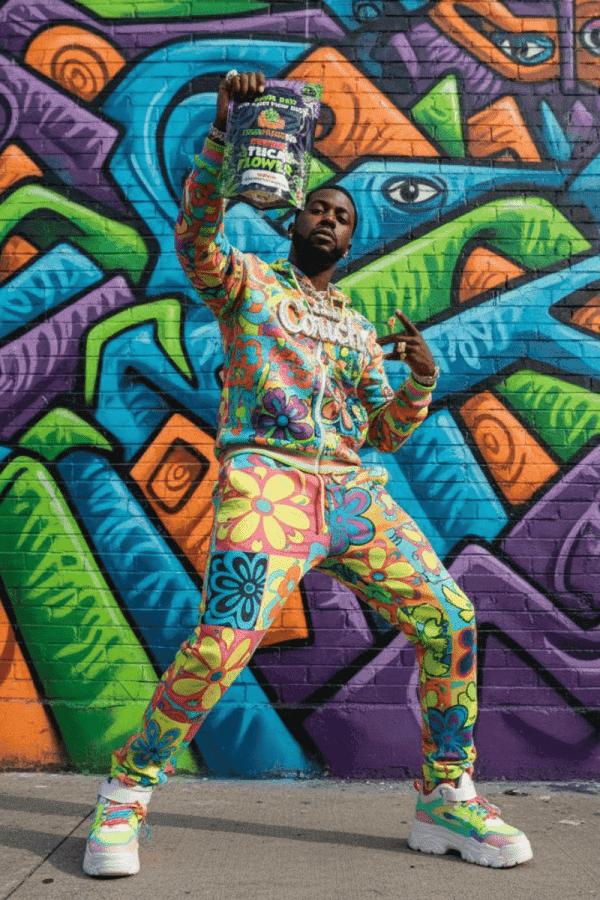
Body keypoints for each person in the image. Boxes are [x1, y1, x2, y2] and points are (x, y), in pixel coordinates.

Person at [83, 70, 532, 877]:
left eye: (343, 217)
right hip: (268, 487)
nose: (329, 218)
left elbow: (380, 433)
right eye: (320, 208)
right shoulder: (247, 283)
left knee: (451, 621)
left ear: (351, 241)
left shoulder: (359, 332)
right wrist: (225, 135)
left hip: (352, 495)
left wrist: (421, 383)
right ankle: (126, 792)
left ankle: (446, 796)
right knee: (225, 639)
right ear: (296, 220)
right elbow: (193, 240)